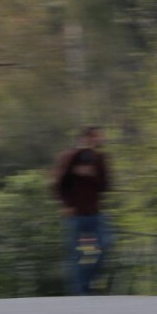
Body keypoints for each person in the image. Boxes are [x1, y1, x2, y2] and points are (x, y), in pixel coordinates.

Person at [52, 126, 112, 294]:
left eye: (99, 138)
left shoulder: (99, 158)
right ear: (85, 138)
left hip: (95, 213)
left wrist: (92, 174)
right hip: (75, 215)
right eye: (95, 137)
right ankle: (81, 292)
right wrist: (65, 205)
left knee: (103, 245)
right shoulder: (69, 156)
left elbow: (105, 186)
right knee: (78, 254)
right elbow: (58, 184)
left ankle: (90, 283)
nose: (99, 141)